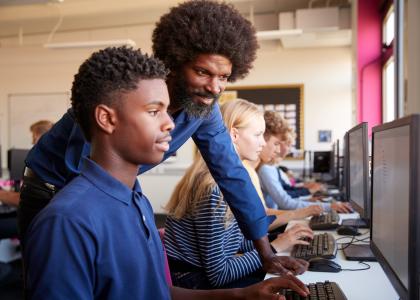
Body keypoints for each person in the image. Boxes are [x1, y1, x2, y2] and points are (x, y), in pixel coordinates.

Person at [18, 0, 301, 274]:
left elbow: (232, 174)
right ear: (174, 63)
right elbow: (78, 173)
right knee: (59, 272)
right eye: (202, 72)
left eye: (224, 77)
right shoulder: (125, 90)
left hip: (114, 193)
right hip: (53, 189)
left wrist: (266, 253)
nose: (215, 88)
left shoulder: (203, 109)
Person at [164, 99, 311, 289]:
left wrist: (277, 243)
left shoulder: (233, 181)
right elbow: (219, 274)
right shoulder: (213, 189)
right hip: (195, 283)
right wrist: (274, 249)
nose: (263, 142)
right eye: (258, 135)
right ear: (233, 134)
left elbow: (235, 244)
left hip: (204, 275)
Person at [258, 111, 353, 213]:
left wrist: (310, 202)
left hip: (277, 216)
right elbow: (285, 203)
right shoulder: (265, 168)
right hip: (275, 220)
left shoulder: (267, 167)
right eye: (277, 143)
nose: (279, 150)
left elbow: (285, 196)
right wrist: (327, 207)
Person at [0, 120, 53, 207]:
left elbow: (28, 200)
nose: (32, 142)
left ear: (43, 136)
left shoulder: (39, 164)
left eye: (34, 137)